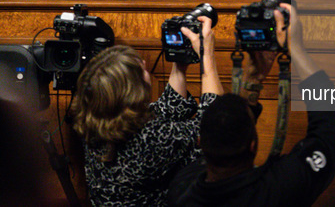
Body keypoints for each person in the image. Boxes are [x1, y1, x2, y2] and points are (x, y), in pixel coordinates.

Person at [168, 3, 335, 206]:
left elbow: (227, 129)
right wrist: (297, 50)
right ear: (253, 145)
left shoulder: (181, 188)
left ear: (201, 142)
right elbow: (332, 132)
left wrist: (253, 79)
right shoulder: (278, 189)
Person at [70, 16, 223, 206]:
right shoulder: (153, 139)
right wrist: (207, 55)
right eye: (140, 69)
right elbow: (215, 128)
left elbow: (167, 109)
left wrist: (179, 62)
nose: (144, 62)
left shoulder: (93, 121)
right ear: (133, 92)